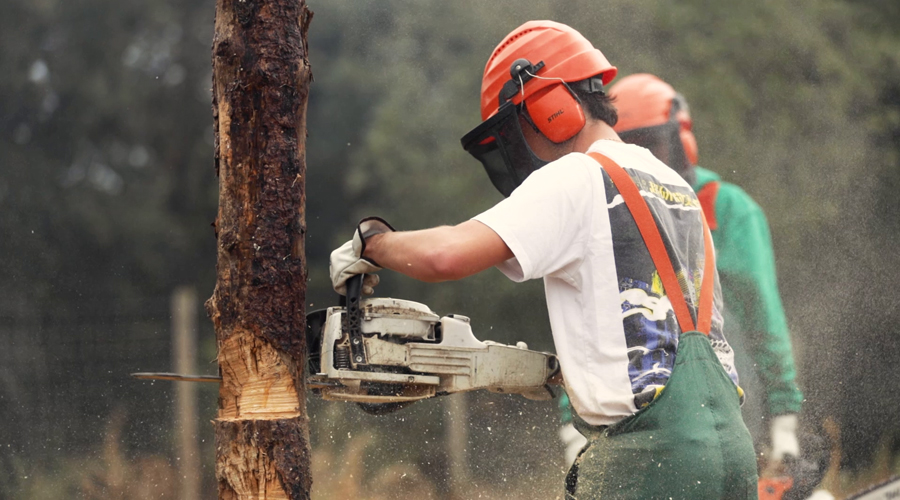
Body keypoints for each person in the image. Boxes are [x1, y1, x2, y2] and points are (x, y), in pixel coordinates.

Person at [330, 21, 758, 499]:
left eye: (512, 136)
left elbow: (445, 255)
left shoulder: (577, 177)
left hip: (650, 464)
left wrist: (373, 243)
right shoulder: (677, 188)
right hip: (732, 454)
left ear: (549, 108)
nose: (518, 154)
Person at [596, 73, 805, 464]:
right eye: (632, 145)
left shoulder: (727, 209)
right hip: (642, 413)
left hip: (734, 400)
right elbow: (592, 318)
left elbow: (763, 312)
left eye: (653, 144)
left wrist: (784, 416)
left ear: (680, 141)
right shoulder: (612, 215)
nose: (645, 158)